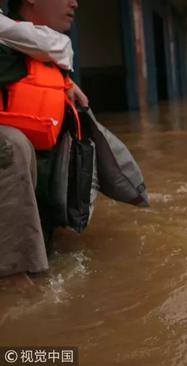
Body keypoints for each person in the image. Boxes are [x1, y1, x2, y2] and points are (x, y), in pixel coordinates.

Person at [0, 0, 82, 289]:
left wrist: (65, 83)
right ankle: (13, 280)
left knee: (74, 120)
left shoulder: (32, 48)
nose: (74, 2)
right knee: (10, 145)